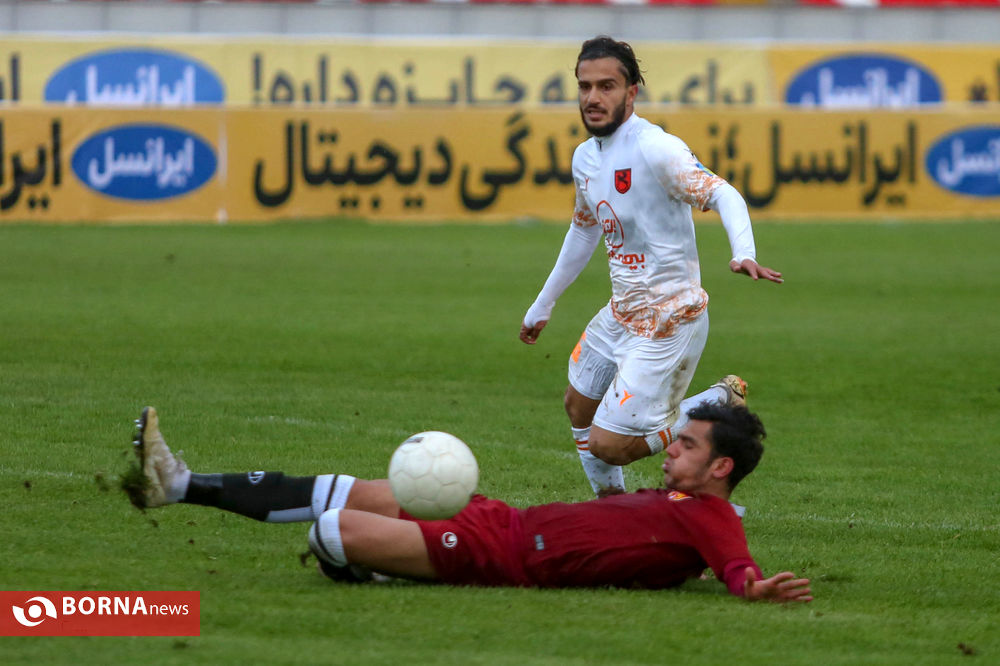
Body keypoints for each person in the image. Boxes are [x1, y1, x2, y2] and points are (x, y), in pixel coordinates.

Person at [124, 406, 812, 603]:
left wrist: (752, 588)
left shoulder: (711, 517)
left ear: (720, 468)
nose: (670, 450)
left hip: (499, 557)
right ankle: (178, 485)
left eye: (686, 446)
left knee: (332, 530)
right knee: (343, 489)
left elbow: (735, 566)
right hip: (498, 518)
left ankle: (370, 566)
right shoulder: (684, 495)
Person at [519, 36, 783, 496]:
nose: (593, 97)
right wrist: (544, 303)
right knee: (578, 407)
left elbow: (723, 193)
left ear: (631, 91)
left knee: (609, 445)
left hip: (670, 319)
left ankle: (716, 401)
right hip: (622, 311)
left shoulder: (655, 148)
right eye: (585, 86)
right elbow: (584, 230)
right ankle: (612, 510)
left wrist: (744, 251)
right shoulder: (585, 158)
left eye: (606, 86)